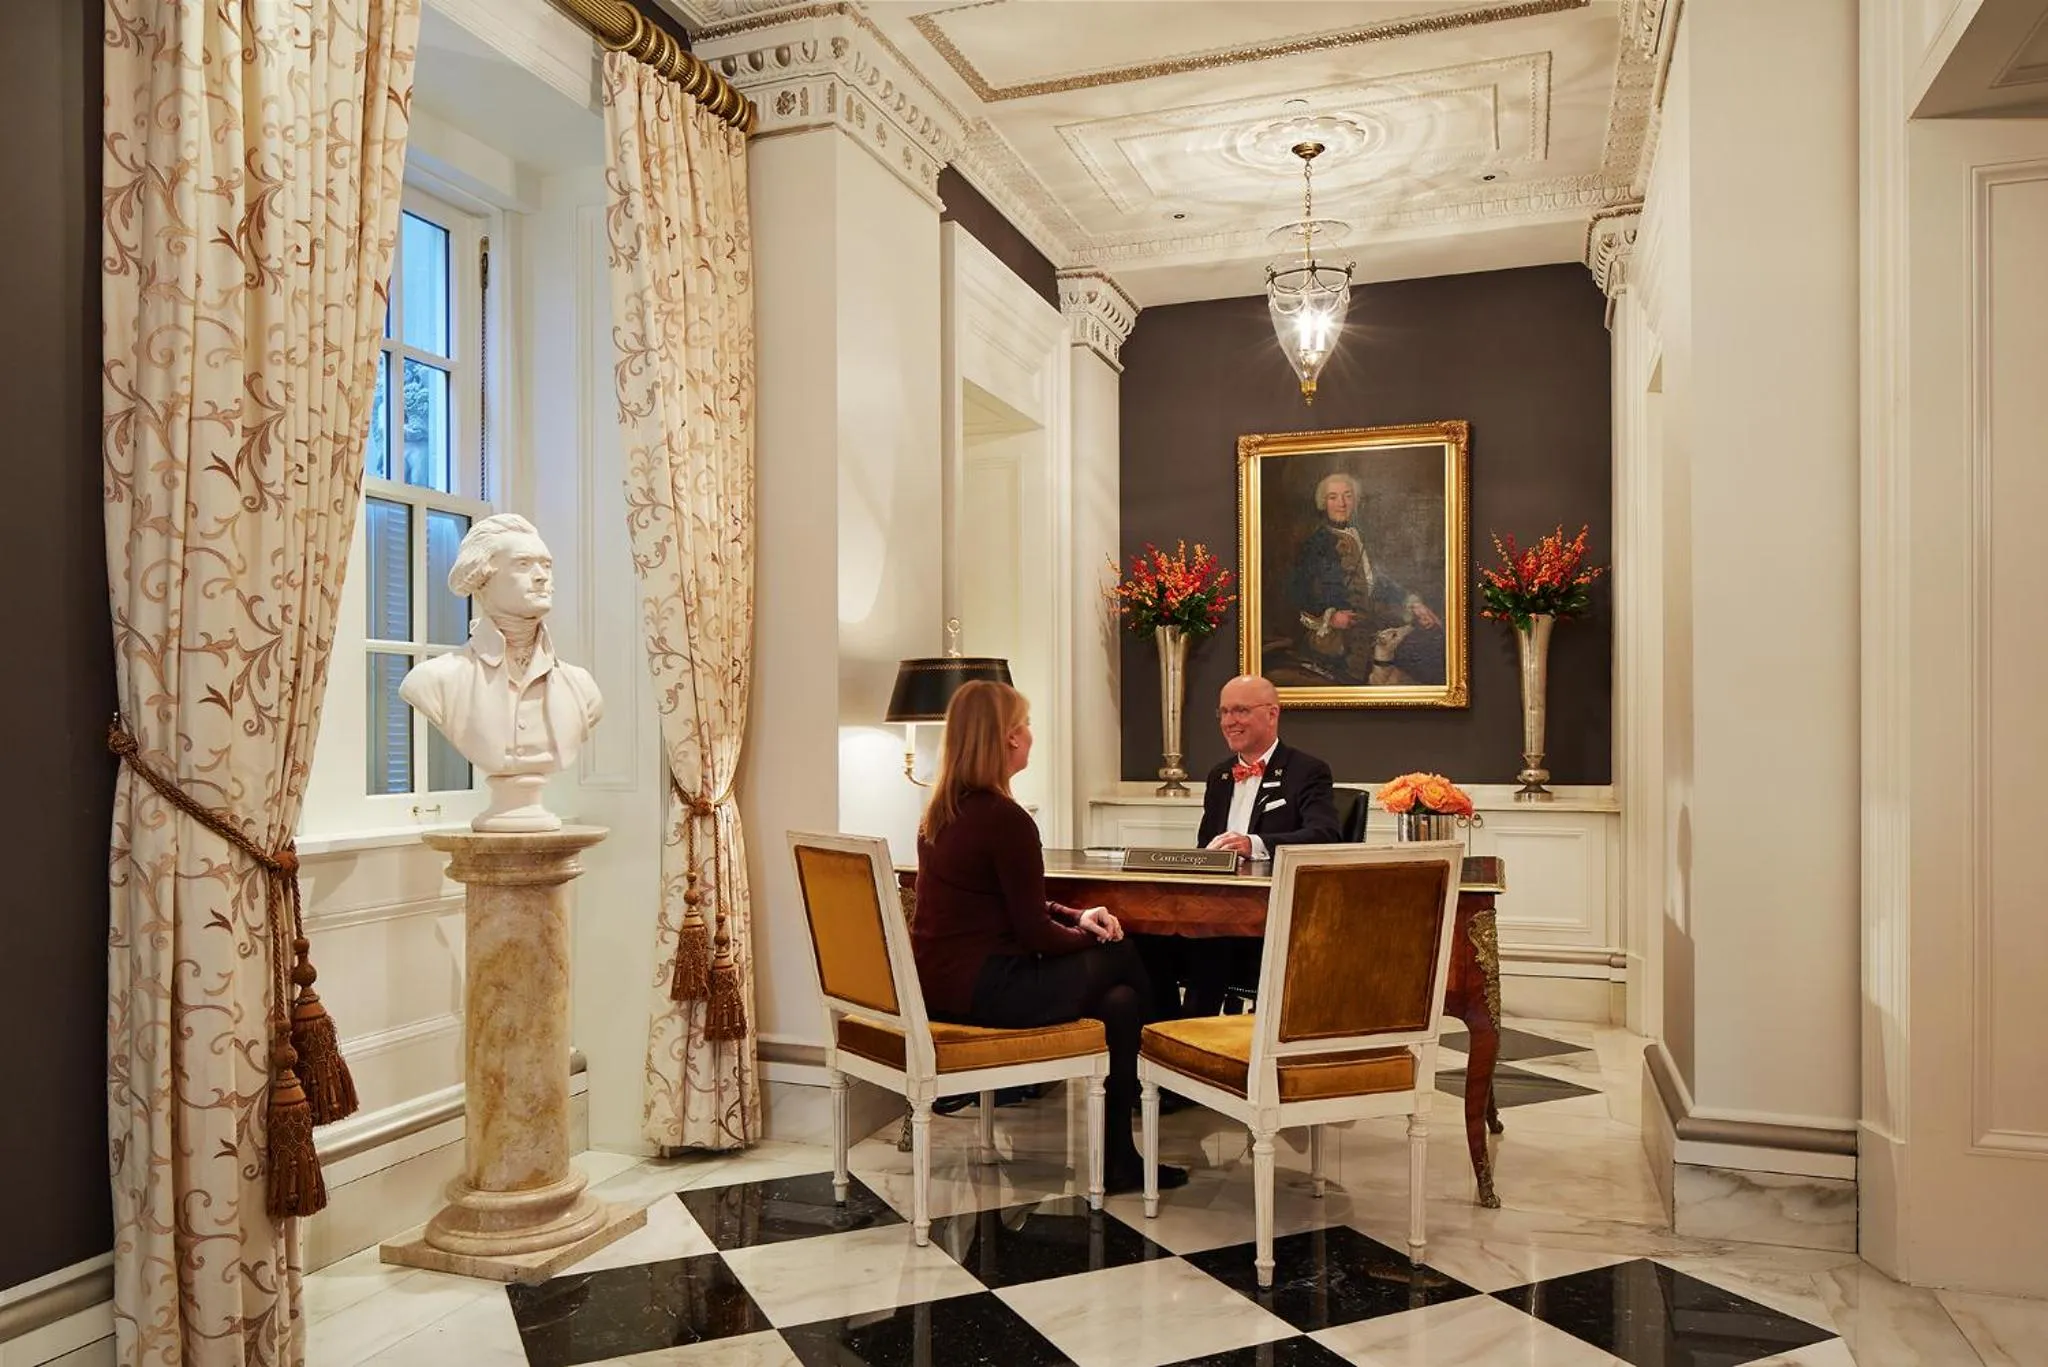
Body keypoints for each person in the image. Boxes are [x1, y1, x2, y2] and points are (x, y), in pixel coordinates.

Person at [911, 680, 1187, 1194]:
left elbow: (1017, 905)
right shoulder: (1005, 819)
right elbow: (1035, 934)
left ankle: (1120, 1156)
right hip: (989, 990)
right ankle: (1170, 1072)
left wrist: (1077, 917)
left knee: (1122, 1001)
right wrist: (1097, 940)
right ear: (1010, 739)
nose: (1032, 736)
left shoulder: (943, 813)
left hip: (943, 987)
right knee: (1129, 951)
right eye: (1027, 725)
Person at [399, 513, 603, 831]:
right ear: (483, 578)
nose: (541, 577)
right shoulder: (436, 680)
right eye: (523, 564)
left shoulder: (582, 688)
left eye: (546, 565)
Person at [1177, 674, 1341, 1016]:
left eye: (1240, 711)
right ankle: (1165, 1045)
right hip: (1217, 910)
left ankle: (1204, 1041)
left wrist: (1254, 844)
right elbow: (1205, 847)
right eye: (1223, 712)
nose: (1229, 722)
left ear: (1272, 714)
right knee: (1150, 945)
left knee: (1208, 949)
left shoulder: (1308, 771)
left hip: (1275, 916)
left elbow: (1325, 834)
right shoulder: (1219, 776)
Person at [1287, 471, 1442, 686]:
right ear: (1324, 503)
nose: (1341, 503)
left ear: (1355, 500)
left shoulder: (1360, 536)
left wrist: (1413, 603)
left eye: (1347, 495)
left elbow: (1377, 580)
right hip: (1335, 639)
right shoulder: (1315, 544)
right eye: (1333, 497)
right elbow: (1297, 591)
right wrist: (1330, 617)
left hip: (1369, 629)